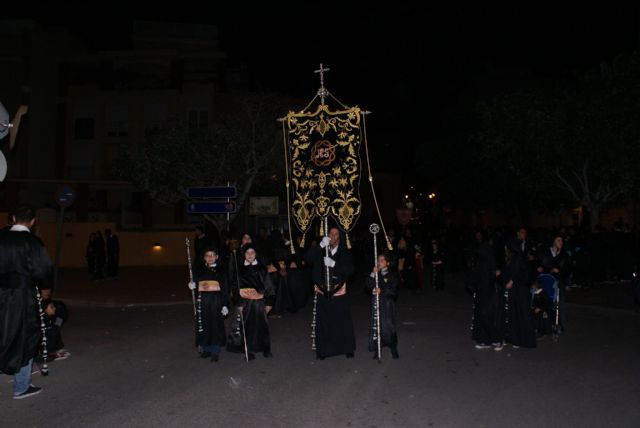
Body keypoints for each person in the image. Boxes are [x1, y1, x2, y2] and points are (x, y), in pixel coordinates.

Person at [0, 204, 52, 399]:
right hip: (23, 295)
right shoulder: (33, 242)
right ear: (32, 221)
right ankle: (21, 386)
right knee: (25, 336)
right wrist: (46, 292)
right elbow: (43, 270)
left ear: (13, 218)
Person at [311, 227, 356, 360]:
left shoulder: (344, 252)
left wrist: (334, 264)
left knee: (342, 321)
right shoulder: (321, 249)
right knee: (324, 321)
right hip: (322, 289)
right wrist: (320, 245)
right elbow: (307, 257)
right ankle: (323, 350)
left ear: (339, 237)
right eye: (331, 233)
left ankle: (347, 348)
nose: (333, 236)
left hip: (338, 290)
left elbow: (350, 269)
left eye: (336, 234)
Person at [227, 245, 274, 360]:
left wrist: (269, 302)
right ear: (244, 255)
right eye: (247, 253)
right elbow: (235, 288)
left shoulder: (262, 268)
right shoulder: (240, 269)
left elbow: (269, 286)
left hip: (259, 303)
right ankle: (250, 350)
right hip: (246, 303)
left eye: (252, 252)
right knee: (247, 327)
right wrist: (239, 304)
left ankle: (265, 348)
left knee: (262, 326)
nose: (250, 255)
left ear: (256, 254)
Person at [188, 247, 229, 362]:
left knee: (215, 325)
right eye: (207, 255)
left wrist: (225, 304)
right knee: (204, 325)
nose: (210, 258)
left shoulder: (221, 271)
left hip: (216, 301)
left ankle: (215, 350)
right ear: (204, 258)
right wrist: (193, 285)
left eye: (212, 255)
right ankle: (206, 348)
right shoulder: (199, 270)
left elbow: (225, 289)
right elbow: (195, 283)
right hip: (203, 301)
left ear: (216, 257)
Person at [366, 252, 400, 359]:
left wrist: (382, 290)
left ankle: (393, 347)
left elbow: (393, 290)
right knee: (377, 326)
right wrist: (372, 274)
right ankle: (377, 349)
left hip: (387, 304)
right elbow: (368, 285)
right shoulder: (375, 273)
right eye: (378, 260)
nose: (379, 262)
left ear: (387, 263)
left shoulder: (392, 274)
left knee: (388, 326)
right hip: (376, 304)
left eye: (382, 260)